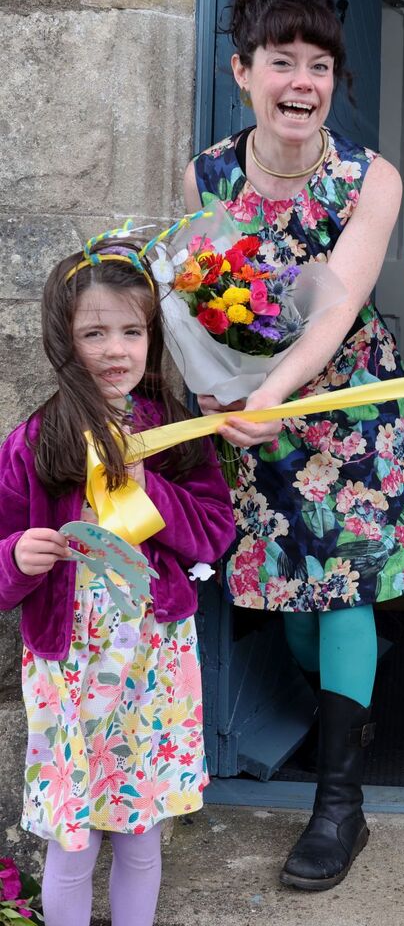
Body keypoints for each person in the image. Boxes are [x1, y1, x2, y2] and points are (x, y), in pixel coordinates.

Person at [184, 0, 404, 892]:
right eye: (282, 62)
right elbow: (201, 303)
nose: (303, 82)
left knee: (344, 594)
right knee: (286, 606)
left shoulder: (368, 179)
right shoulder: (208, 177)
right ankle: (345, 710)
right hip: (254, 416)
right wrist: (215, 391)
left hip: (346, 415)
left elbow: (336, 309)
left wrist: (272, 394)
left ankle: (341, 803)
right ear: (243, 73)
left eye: (320, 66)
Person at [0, 238, 236, 926]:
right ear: (64, 341)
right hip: (69, 668)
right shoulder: (35, 442)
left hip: (152, 663)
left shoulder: (177, 431)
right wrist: (15, 556)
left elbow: (215, 531)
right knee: (71, 843)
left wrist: (154, 492)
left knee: (139, 833)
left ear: (152, 338)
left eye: (131, 331)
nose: (115, 349)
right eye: (94, 332)